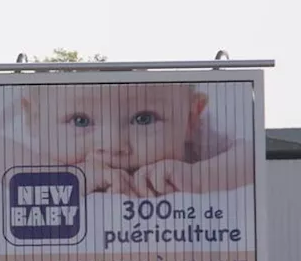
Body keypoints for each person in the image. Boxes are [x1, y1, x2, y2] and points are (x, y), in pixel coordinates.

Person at [15, 82, 253, 196]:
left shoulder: (200, 135)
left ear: (191, 118)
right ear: (33, 120)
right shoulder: (35, 147)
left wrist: (201, 176)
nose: (114, 145)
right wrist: (67, 179)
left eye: (144, 118)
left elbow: (251, 156)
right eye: (80, 120)